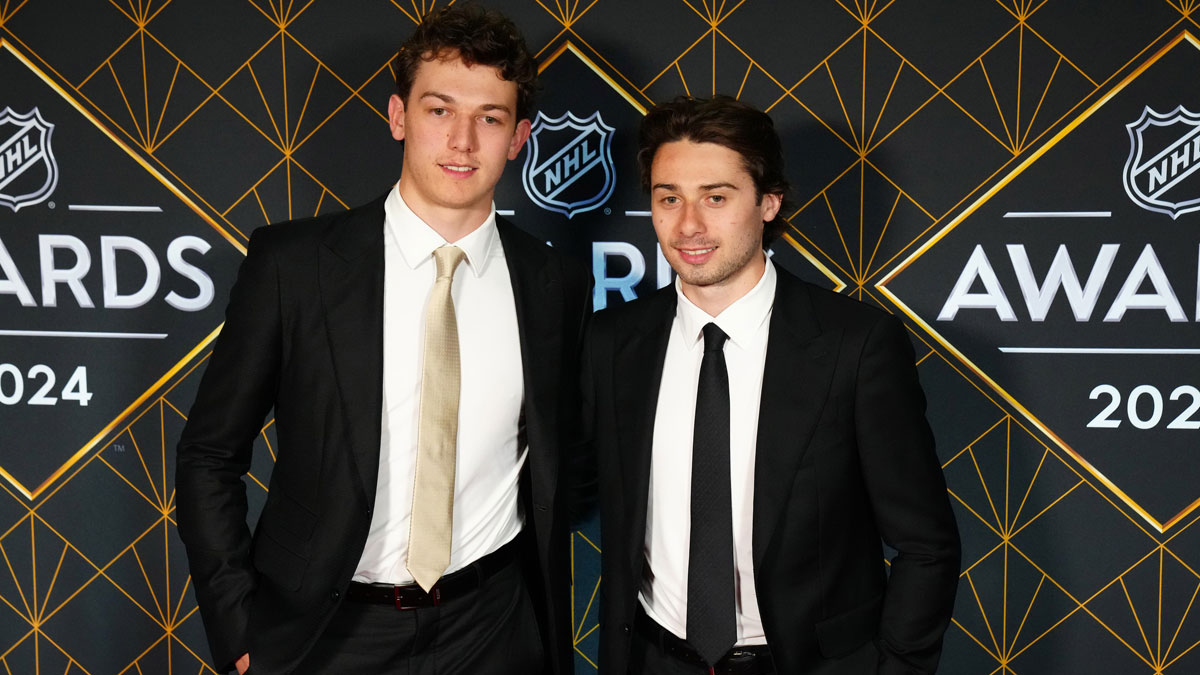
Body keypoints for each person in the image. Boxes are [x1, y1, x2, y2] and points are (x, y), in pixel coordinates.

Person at [175, 5, 589, 674]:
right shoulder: (294, 265)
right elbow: (209, 455)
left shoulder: (554, 282)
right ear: (398, 116)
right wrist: (238, 628)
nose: (462, 141)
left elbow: (565, 458)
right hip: (328, 632)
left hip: (494, 626)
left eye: (490, 118)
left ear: (519, 137)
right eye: (439, 110)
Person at [585, 95, 960, 675]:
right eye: (669, 199)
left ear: (769, 202)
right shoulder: (613, 342)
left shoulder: (854, 345)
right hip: (651, 659)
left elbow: (926, 546)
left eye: (716, 197)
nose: (689, 225)